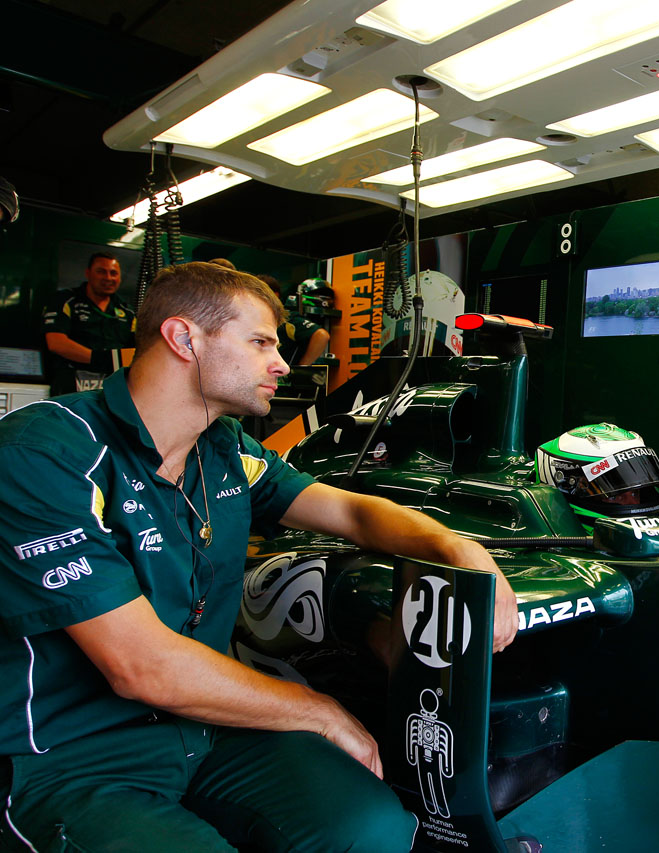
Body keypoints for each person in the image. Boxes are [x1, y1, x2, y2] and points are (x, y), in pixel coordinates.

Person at [0, 262, 518, 852]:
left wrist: (459, 547)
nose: (282, 363)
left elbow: (351, 513)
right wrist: (315, 709)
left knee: (370, 827)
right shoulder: (47, 454)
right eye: (261, 342)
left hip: (204, 730)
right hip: (71, 756)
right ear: (183, 338)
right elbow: (143, 667)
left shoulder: (223, 449)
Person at [43, 252, 137, 395]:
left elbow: (138, 349)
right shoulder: (65, 300)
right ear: (88, 273)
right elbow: (55, 342)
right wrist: (99, 359)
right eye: (101, 272)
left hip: (112, 388)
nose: (108, 278)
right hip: (70, 386)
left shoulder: (127, 312)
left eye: (113, 273)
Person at [259, 274, 331, 366]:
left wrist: (302, 367)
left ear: (275, 295)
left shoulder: (286, 319)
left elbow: (322, 336)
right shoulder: (255, 321)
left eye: (259, 293)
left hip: (283, 376)